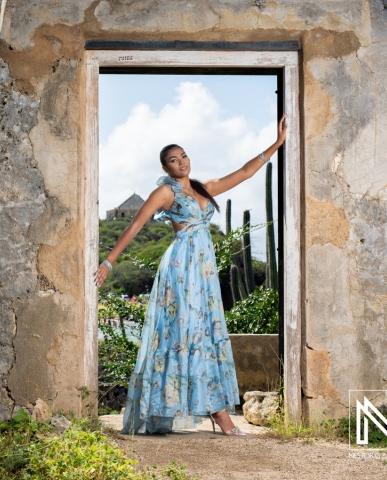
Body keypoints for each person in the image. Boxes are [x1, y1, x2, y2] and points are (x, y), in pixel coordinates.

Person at [94, 114, 288, 436]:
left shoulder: (204, 187)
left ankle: (209, 408)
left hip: (205, 272)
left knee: (204, 333)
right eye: (173, 160)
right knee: (188, 333)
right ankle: (217, 413)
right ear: (165, 168)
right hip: (181, 269)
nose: (181, 162)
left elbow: (243, 172)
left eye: (183, 156)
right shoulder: (166, 194)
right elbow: (135, 225)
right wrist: (109, 262)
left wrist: (278, 143)